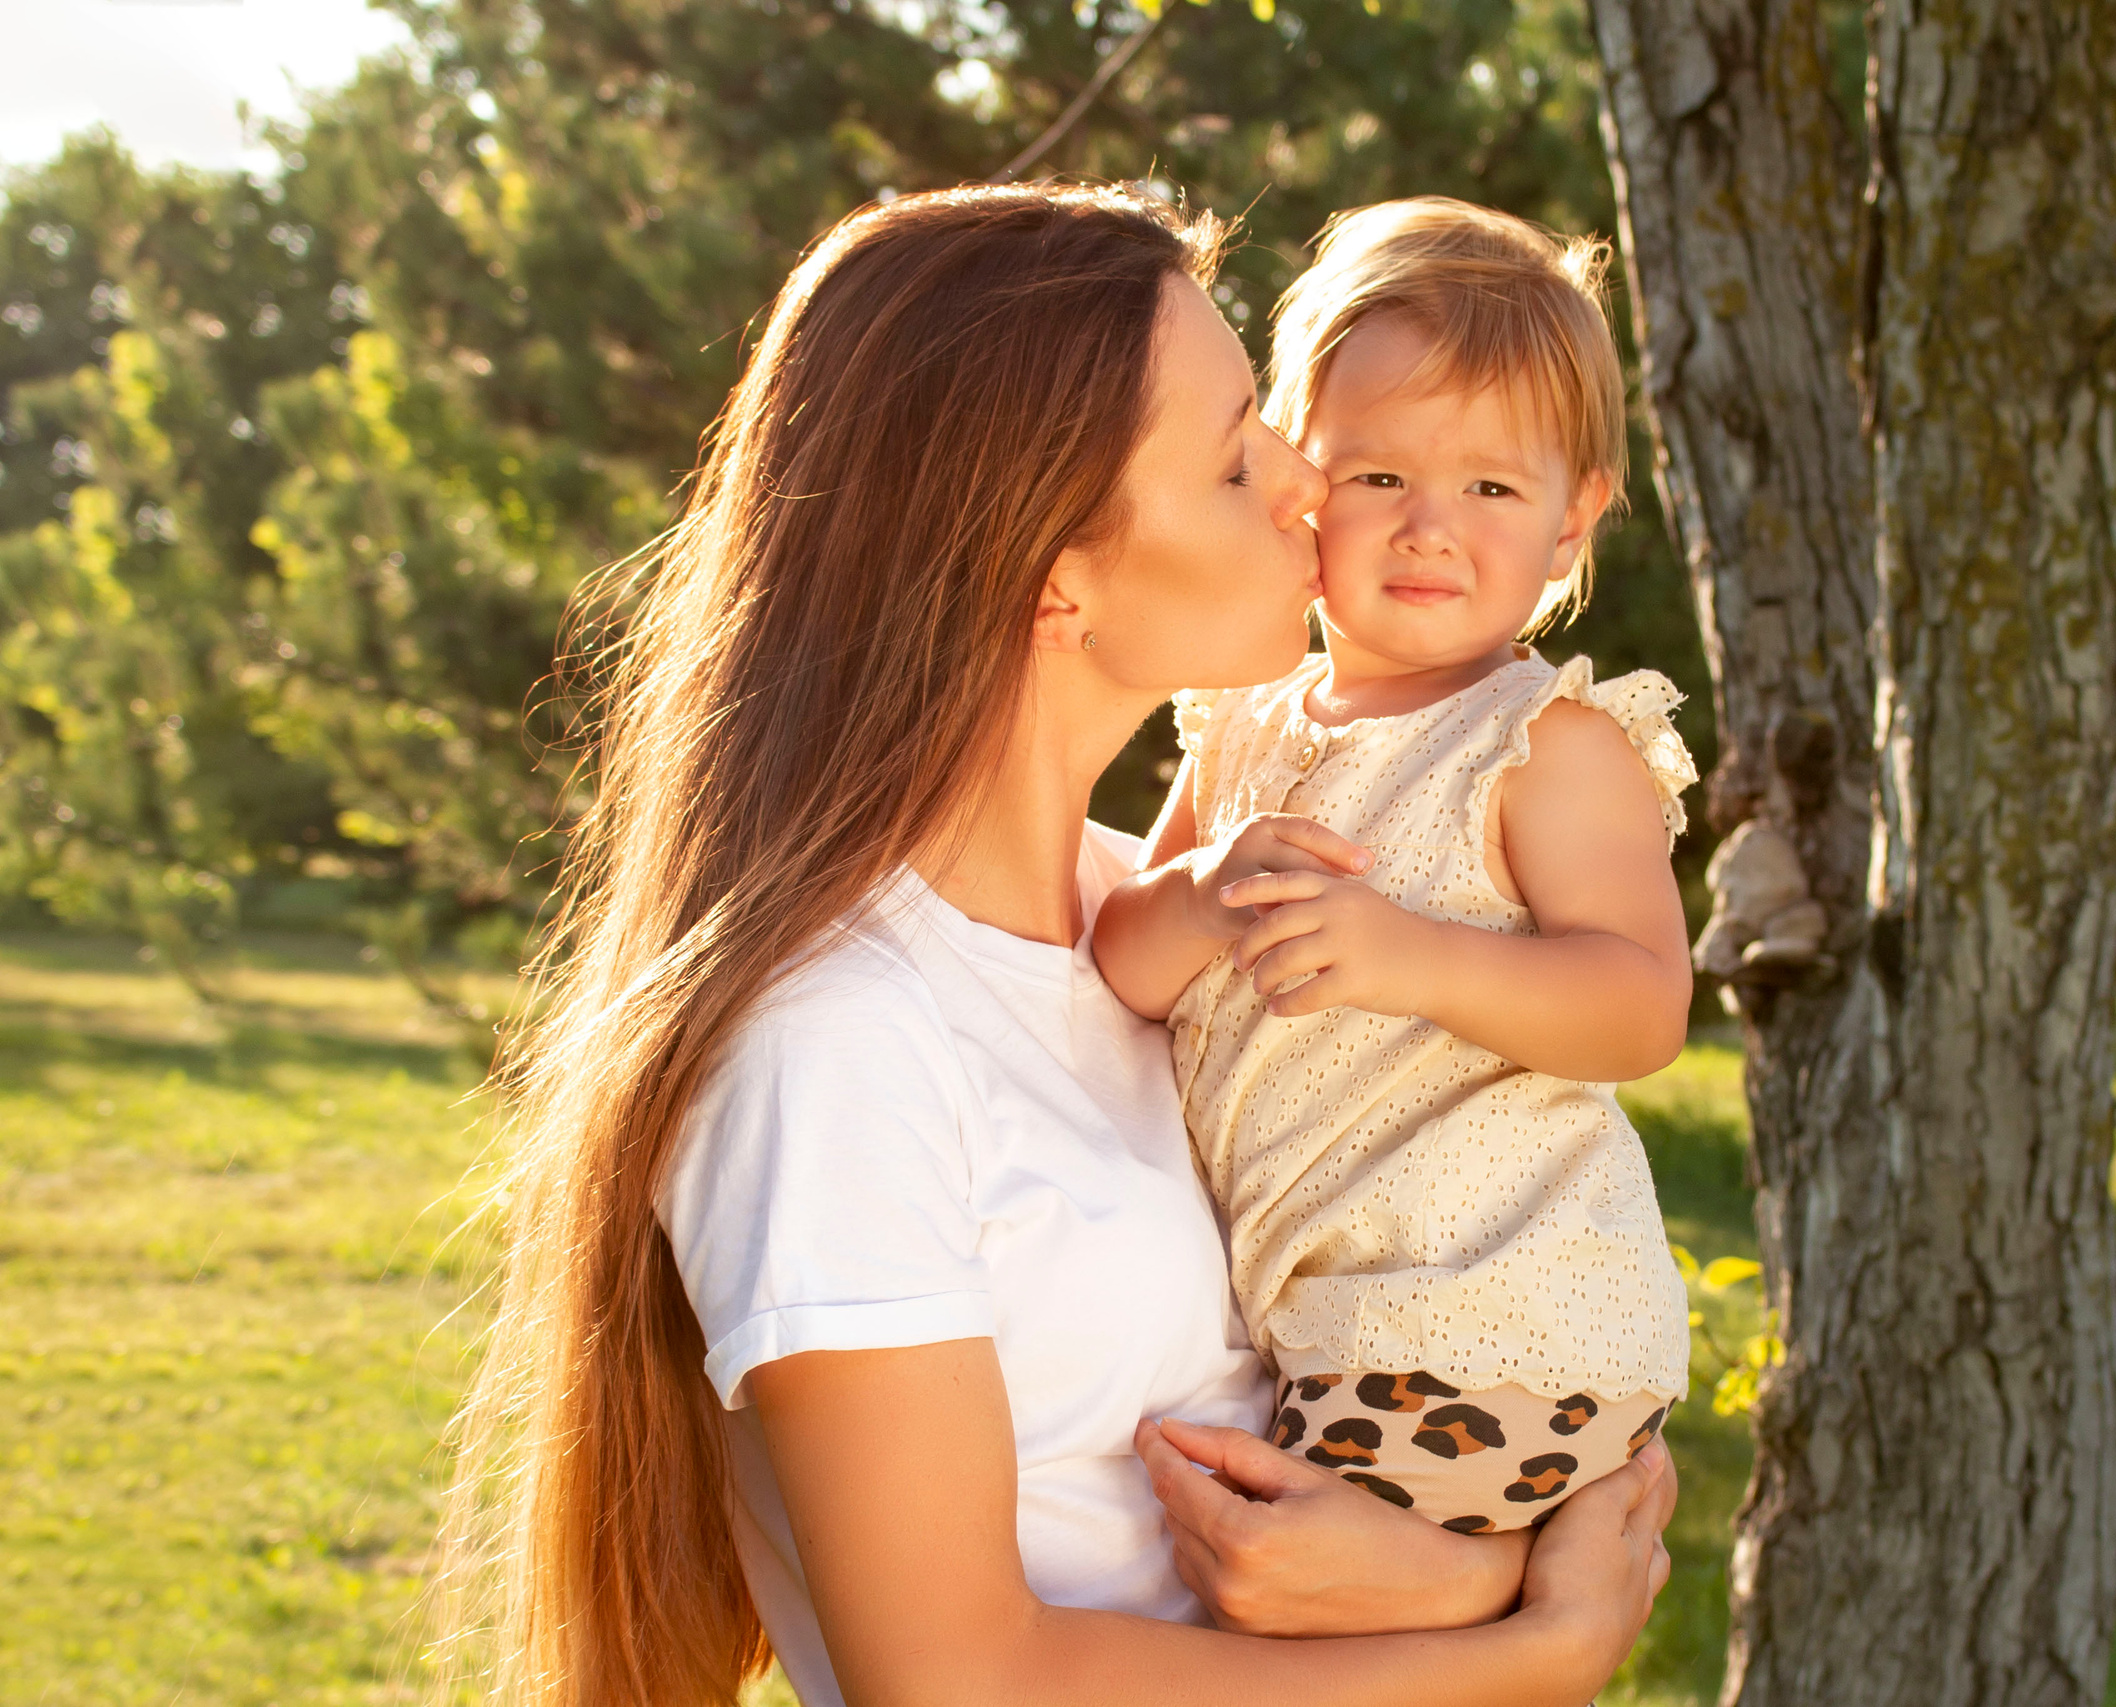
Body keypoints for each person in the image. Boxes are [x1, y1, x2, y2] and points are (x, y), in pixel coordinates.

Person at [439, 184, 1674, 1707]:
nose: (1311, 484)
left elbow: (1470, 1234)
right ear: (1053, 574)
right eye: (1238, 455)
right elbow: (958, 1681)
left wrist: (1476, 1561)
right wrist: (1522, 1639)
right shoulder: (838, 1042)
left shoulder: (1182, 914)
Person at [1093, 199, 1698, 1530]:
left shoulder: (1545, 743)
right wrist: (1201, 894)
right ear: (1302, 481)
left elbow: (1642, 1005)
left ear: (1573, 519)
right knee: (1257, 1602)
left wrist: (1415, 956)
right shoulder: (1245, 721)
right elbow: (1124, 969)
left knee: (1292, 1619)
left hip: (1492, 1320)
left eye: (1491, 487)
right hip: (1324, 1323)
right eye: (1380, 479)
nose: (1430, 526)